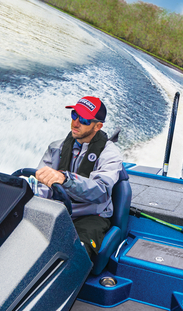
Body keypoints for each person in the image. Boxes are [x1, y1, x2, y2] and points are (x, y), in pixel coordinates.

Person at [36, 96, 123, 258]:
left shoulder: (110, 154)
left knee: (75, 256)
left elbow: (101, 191)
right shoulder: (56, 147)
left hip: (91, 216)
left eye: (84, 119)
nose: (75, 123)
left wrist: (66, 179)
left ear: (98, 126)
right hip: (57, 210)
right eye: (74, 115)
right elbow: (40, 186)